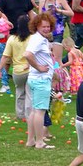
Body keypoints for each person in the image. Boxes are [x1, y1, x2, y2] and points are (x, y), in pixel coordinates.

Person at [25, 14, 56, 150]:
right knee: (40, 111)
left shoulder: (36, 38)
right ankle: (39, 142)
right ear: (36, 26)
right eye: (43, 26)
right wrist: (38, 67)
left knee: (33, 110)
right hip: (41, 80)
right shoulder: (38, 40)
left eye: (48, 26)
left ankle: (31, 140)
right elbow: (27, 55)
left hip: (34, 79)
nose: (46, 29)